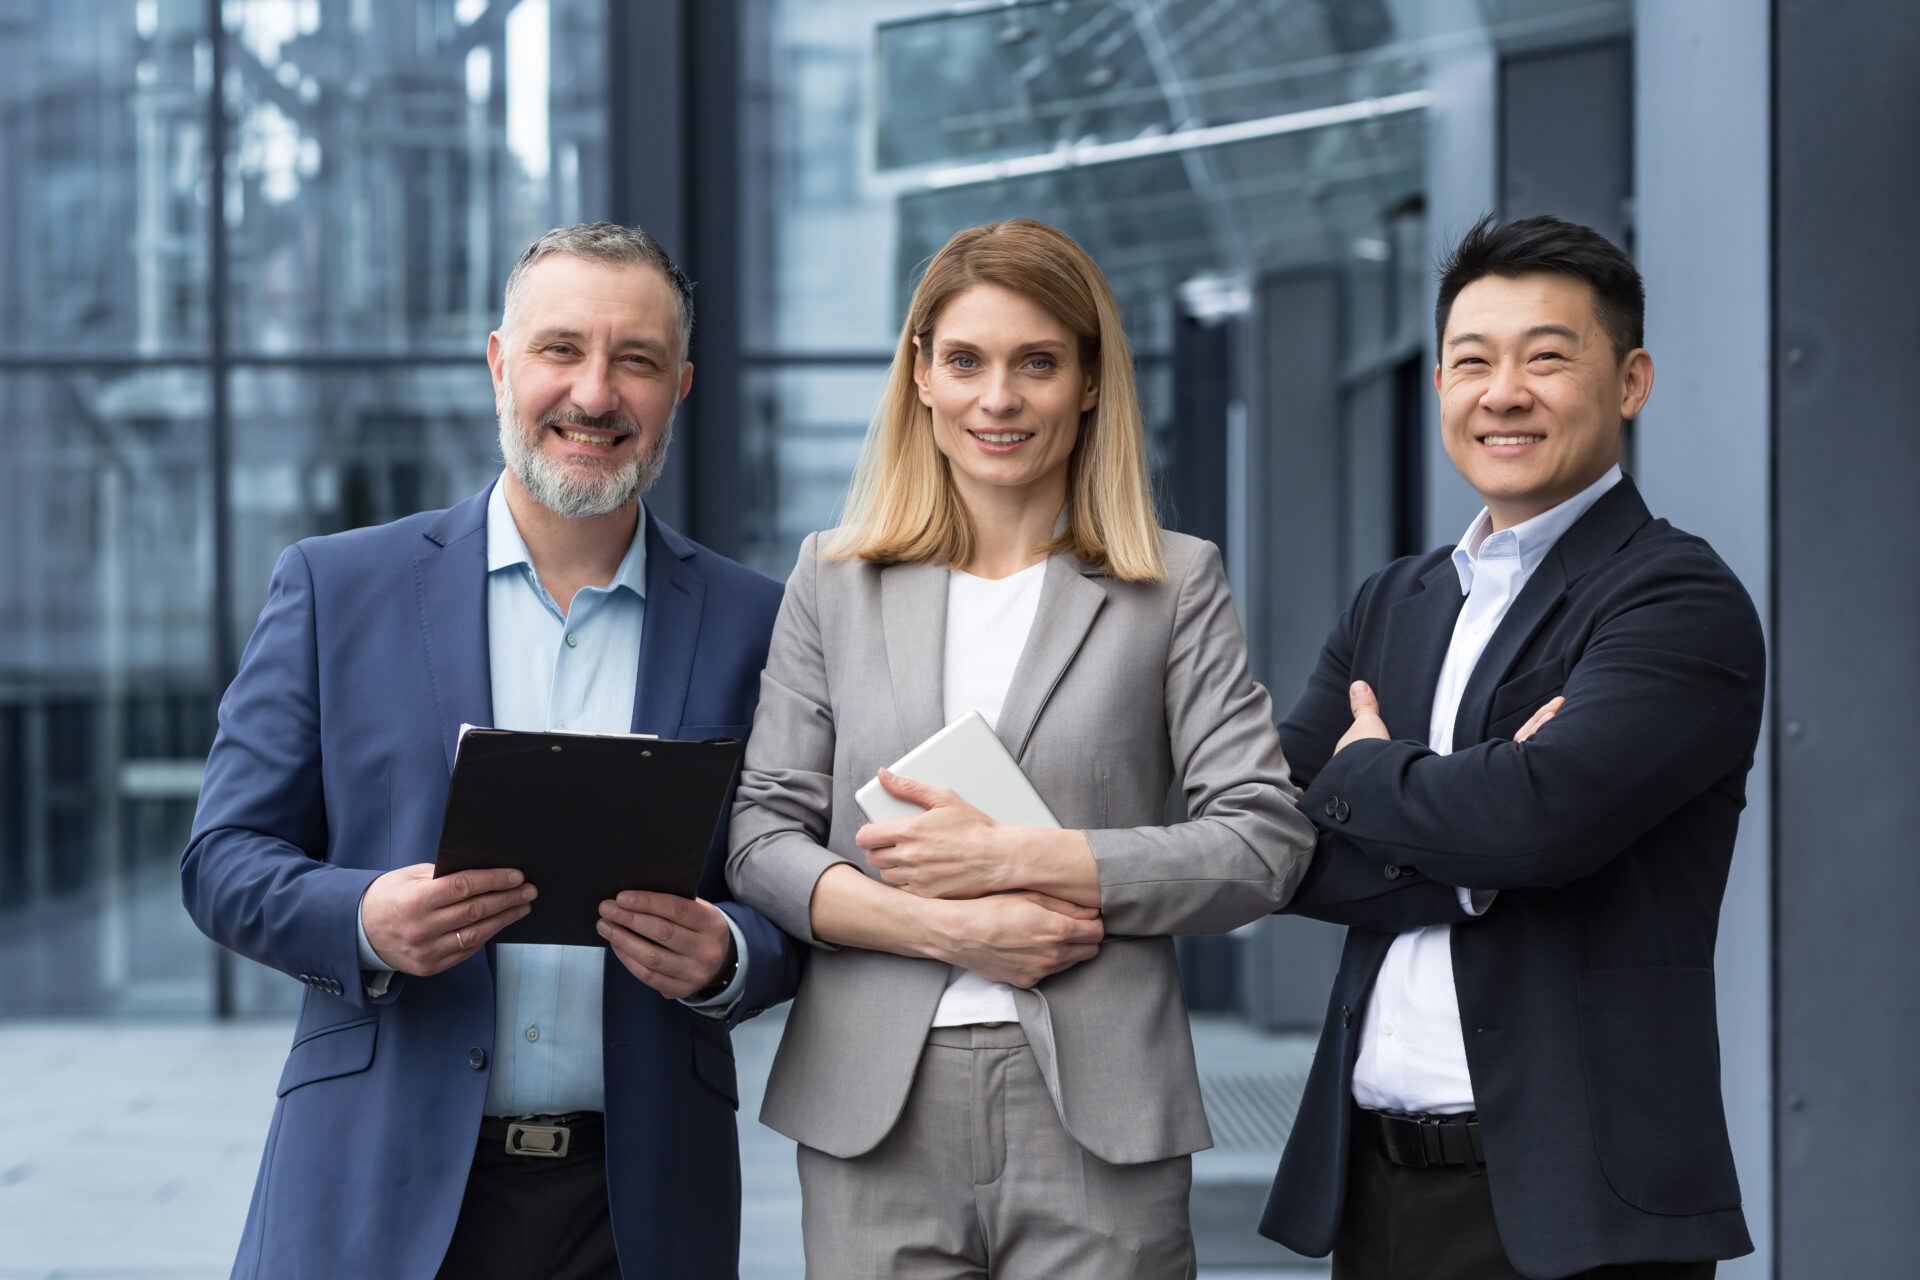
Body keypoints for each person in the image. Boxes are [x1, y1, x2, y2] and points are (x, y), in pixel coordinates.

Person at [181, 222, 802, 1280]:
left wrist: (732, 956)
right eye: (561, 349)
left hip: (641, 1205)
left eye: (636, 360)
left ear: (681, 386)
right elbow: (223, 858)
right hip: (375, 1182)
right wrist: (364, 918)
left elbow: (799, 878)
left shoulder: (761, 623)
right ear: (499, 363)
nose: (595, 394)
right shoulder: (339, 588)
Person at [727, 218, 1317, 1278]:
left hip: (1101, 1109)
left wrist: (1020, 859)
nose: (997, 398)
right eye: (966, 360)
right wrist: (944, 928)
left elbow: (1262, 843)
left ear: (1090, 381)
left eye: (1037, 362)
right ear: (920, 375)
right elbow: (759, 832)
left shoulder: (1172, 585)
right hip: (875, 1110)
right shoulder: (832, 578)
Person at [1258, 215, 1764, 1279]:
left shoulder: (1675, 595)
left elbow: (1535, 820)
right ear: (1439, 381)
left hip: (1575, 1210)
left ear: (1629, 381)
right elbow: (1276, 829)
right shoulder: (1393, 601)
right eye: (1471, 360)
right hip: (1376, 1188)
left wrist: (1367, 772)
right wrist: (1470, 832)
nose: (1503, 391)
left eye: (1546, 357)